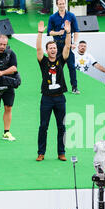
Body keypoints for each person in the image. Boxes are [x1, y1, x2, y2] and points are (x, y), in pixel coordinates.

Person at [35, 20, 71, 162]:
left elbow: (67, 46)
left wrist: (68, 32)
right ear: (47, 50)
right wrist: (40, 33)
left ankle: (61, 152)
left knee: (61, 126)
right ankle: (41, 152)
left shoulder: (61, 60)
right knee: (43, 126)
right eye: (50, 48)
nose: (53, 50)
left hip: (60, 98)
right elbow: (38, 49)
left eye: (54, 47)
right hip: (47, 99)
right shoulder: (43, 61)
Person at [47, 0, 80, 94]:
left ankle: (74, 87)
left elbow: (76, 31)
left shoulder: (71, 16)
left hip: (68, 44)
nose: (62, 5)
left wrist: (75, 43)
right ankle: (55, 85)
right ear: (57, 5)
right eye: (60, 4)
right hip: (57, 45)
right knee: (56, 66)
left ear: (65, 4)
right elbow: (49, 32)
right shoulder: (52, 17)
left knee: (71, 66)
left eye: (63, 3)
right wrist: (59, 33)